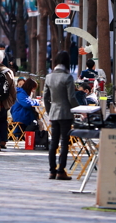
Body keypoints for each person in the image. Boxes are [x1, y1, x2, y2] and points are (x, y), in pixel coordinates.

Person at [44, 51, 80, 180]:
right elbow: (71, 97)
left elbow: (45, 97)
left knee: (53, 142)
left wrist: (49, 111)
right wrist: (79, 109)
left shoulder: (49, 77)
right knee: (65, 142)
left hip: (54, 113)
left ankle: (52, 170)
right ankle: (61, 170)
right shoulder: (68, 77)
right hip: (65, 114)